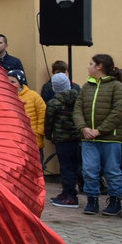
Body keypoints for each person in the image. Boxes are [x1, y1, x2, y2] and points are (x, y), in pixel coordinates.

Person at [73, 54, 122, 216]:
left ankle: (115, 200)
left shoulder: (116, 86)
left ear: (100, 66)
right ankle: (92, 200)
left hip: (110, 138)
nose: (88, 67)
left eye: (91, 64)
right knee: (89, 170)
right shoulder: (86, 87)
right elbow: (77, 109)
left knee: (112, 170)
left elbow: (119, 111)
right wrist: (83, 128)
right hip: (88, 138)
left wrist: (100, 130)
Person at [45, 73, 81, 207]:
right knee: (73, 166)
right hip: (77, 138)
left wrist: (49, 136)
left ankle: (70, 195)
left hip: (62, 139)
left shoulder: (54, 103)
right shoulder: (78, 99)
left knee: (66, 168)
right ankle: (67, 192)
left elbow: (49, 122)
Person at [7, 69, 47, 167]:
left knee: (35, 168)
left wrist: (39, 132)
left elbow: (43, 113)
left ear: (20, 83)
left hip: (33, 141)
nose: (10, 84)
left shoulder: (33, 96)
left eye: (13, 82)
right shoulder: (5, 97)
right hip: (14, 142)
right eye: (7, 81)